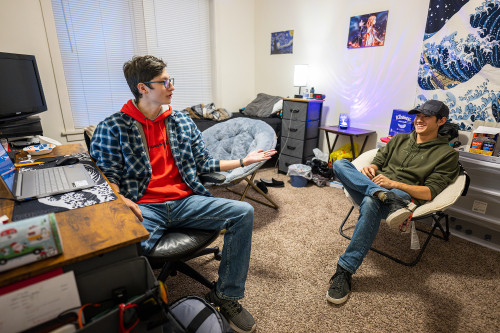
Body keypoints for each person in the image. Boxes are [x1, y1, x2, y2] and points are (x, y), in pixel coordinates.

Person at [90, 55, 276, 333]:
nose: (171, 86)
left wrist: (243, 162)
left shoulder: (181, 121)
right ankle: (139, 312)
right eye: (164, 82)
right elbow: (107, 176)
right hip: (145, 206)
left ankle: (225, 295)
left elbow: (203, 163)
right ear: (143, 88)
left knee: (244, 212)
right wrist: (121, 199)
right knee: (121, 251)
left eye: (170, 79)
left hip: (185, 200)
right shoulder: (112, 127)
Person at [326, 100, 460, 305]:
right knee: (340, 164)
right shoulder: (399, 139)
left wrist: (392, 183)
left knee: (371, 203)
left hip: (401, 194)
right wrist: (371, 168)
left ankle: (344, 270)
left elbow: (429, 192)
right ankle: (379, 193)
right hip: (378, 188)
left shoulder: (447, 154)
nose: (419, 119)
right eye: (418, 115)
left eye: (426, 116)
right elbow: (378, 160)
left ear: (441, 121)